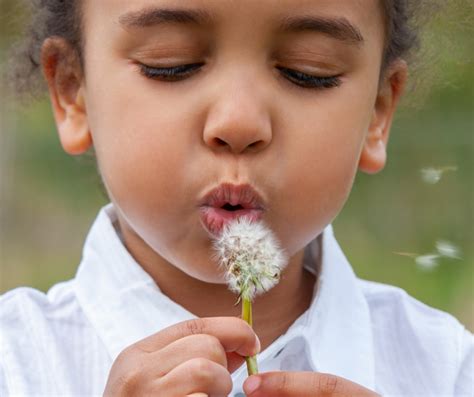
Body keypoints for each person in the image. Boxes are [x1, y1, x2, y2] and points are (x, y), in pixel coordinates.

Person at [1, 1, 472, 396]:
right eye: (171, 64)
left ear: (378, 111)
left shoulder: (447, 369)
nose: (239, 122)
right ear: (71, 91)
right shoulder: (16, 363)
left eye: (308, 71)